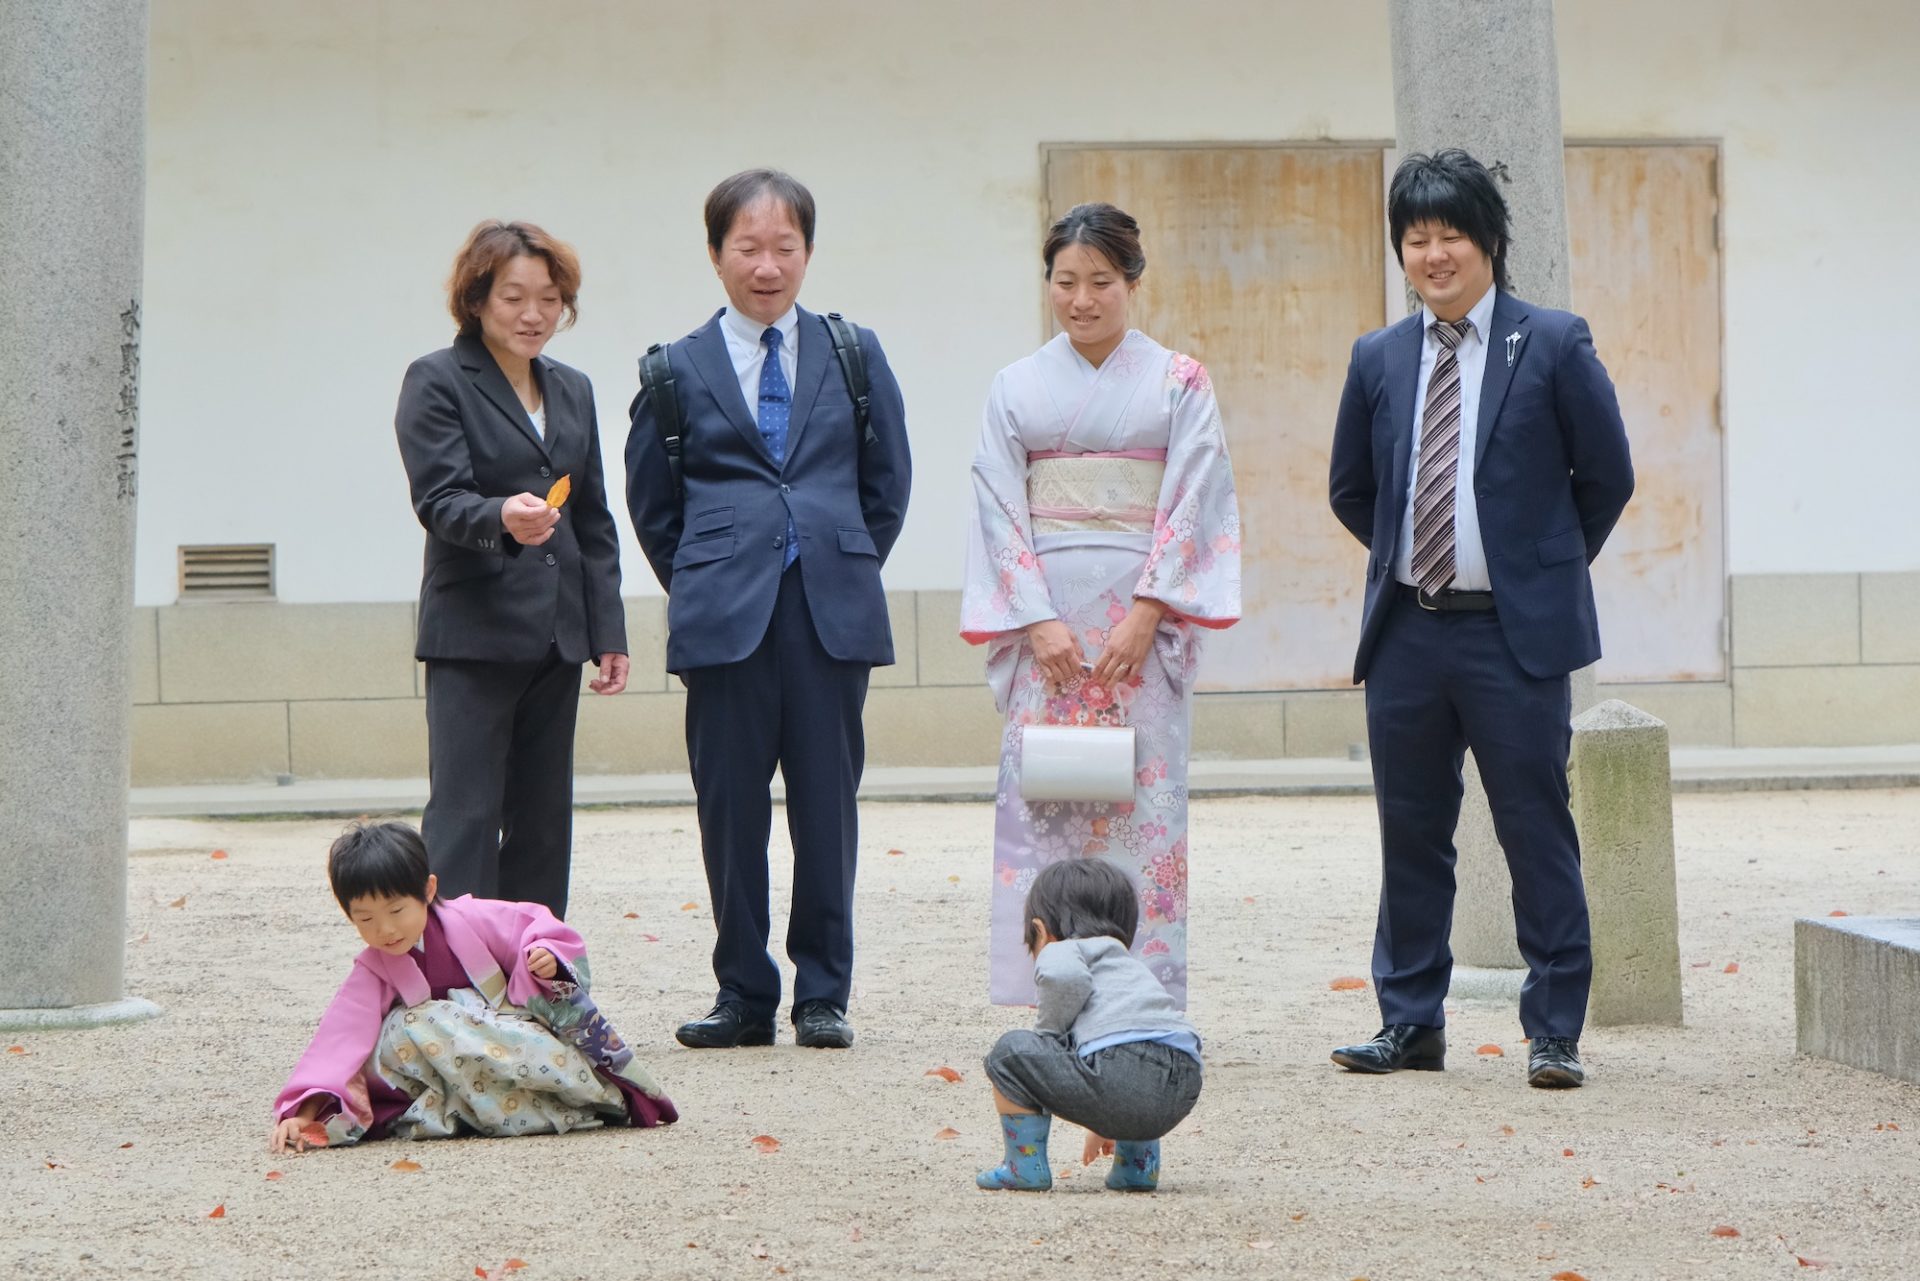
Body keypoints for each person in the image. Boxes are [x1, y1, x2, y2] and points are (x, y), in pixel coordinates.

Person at [1327, 150, 1635, 1088]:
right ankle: (1410, 1020)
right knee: (1411, 828)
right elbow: (1352, 490)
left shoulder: (1552, 342)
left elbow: (1607, 477)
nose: (1434, 254)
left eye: (1450, 234)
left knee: (1534, 825)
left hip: (1514, 635)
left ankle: (1554, 1029)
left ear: (1490, 240)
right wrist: (1420, 559)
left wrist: (1537, 569)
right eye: (1416, 239)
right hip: (1410, 632)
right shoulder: (1379, 357)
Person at [624, 170, 912, 1050]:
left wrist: (835, 561)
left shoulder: (853, 351)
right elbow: (653, 503)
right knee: (730, 809)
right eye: (747, 247)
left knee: (828, 806)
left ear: (809, 253)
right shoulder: (674, 369)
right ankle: (743, 990)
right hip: (724, 620)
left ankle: (823, 991)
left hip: (828, 611)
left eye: (785, 246)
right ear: (715, 254)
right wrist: (712, 578)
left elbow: (887, 484)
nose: (767, 264)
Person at [960, 202, 1240, 1010]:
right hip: (1046, 626)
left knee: (1143, 809)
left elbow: (1194, 497)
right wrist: (1036, 618)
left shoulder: (1180, 381)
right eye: (1065, 281)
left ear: (1133, 281)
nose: (1081, 299)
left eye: (1101, 282)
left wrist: (1150, 613)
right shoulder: (1016, 386)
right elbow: (997, 503)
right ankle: (1046, 983)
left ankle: (1144, 987)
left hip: (1138, 628)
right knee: (1045, 802)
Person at [393, 221, 629, 919]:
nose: (533, 315)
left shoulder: (574, 388)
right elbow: (439, 498)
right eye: (514, 297)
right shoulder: (437, 379)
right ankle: (460, 982)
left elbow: (593, 518)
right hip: (473, 631)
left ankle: (532, 972)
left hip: (557, 636)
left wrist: (607, 630)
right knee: (465, 815)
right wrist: (501, 516)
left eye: (550, 299)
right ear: (476, 300)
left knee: (544, 820)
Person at [269, 822, 676, 1152]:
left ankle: (576, 1098)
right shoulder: (373, 968)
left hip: (511, 1041)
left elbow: (537, 928)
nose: (386, 930)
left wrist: (546, 958)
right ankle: (509, 1110)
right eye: (366, 919)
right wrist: (305, 1114)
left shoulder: (474, 917)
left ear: (428, 891)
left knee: (443, 1023)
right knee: (410, 1026)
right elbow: (339, 1041)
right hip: (449, 1076)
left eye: (396, 910)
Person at [976, 859, 1203, 1192]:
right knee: (1126, 1065)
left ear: (1040, 930)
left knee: (1009, 1053)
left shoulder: (1063, 948)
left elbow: (1064, 977)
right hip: (1181, 1081)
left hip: (1123, 1069)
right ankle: (1137, 1168)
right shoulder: (1129, 966)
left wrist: (1048, 1035)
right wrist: (1104, 1119)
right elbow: (1130, 1050)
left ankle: (1022, 1166)